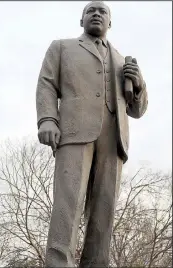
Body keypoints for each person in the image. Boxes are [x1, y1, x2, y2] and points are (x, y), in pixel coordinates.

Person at [36, 1, 148, 267]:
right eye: (90, 11)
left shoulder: (122, 60)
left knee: (104, 210)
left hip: (114, 139)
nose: (96, 14)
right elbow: (47, 84)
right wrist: (48, 119)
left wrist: (140, 85)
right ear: (81, 20)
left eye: (103, 12)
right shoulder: (62, 47)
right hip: (75, 133)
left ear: (110, 23)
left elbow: (137, 110)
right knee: (68, 203)